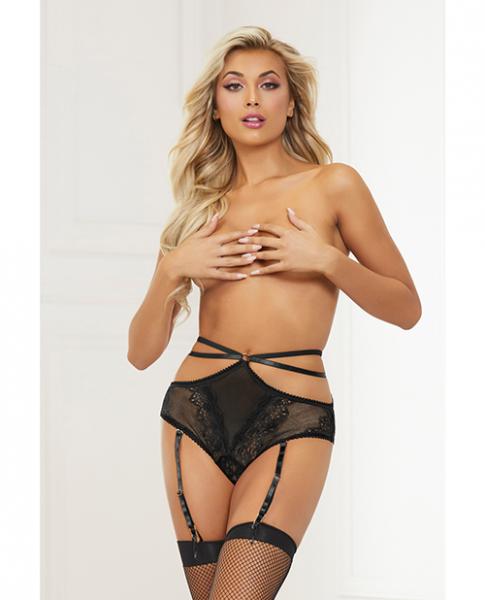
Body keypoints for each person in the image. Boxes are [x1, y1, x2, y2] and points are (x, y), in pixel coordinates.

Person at [127, 25, 422, 600]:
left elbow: (407, 308)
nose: (253, 99)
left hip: (293, 411)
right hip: (193, 410)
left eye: (269, 84)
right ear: (215, 107)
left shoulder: (334, 185)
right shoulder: (199, 209)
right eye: (234, 86)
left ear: (291, 103)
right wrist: (172, 268)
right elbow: (140, 353)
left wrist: (329, 261)